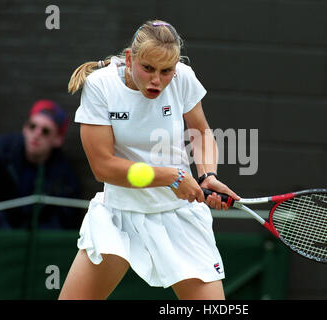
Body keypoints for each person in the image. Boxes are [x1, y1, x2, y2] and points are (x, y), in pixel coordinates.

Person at [59, 19, 240, 300]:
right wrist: (172, 177)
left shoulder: (183, 78)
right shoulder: (100, 86)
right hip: (118, 216)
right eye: (148, 69)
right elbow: (103, 167)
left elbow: (201, 133)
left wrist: (207, 176)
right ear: (130, 58)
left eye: (166, 71)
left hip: (179, 217)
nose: (157, 80)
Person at [0, 99, 83, 229]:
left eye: (45, 131)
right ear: (25, 128)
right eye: (32, 126)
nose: (36, 134)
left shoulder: (65, 176)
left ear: (58, 139)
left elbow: (65, 221)